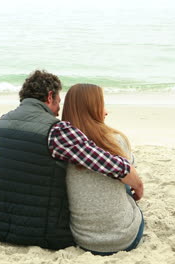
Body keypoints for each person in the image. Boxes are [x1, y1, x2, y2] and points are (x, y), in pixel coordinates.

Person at [0, 70, 143, 250]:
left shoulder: (3, 122)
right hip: (38, 233)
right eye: (59, 101)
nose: (59, 110)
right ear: (50, 96)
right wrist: (138, 185)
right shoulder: (56, 130)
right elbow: (112, 166)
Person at [62, 83, 144, 255]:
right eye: (102, 105)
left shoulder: (63, 148)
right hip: (125, 238)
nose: (106, 112)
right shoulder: (115, 140)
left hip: (84, 240)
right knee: (126, 181)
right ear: (92, 108)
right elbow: (132, 174)